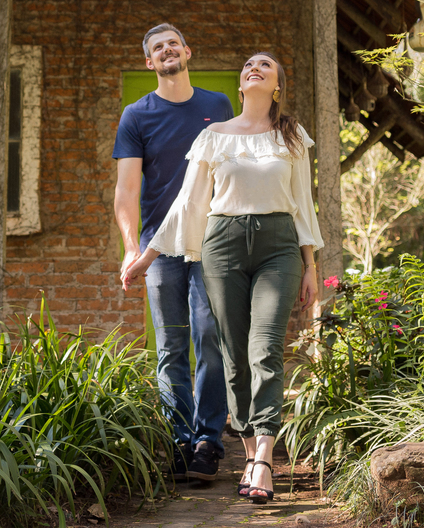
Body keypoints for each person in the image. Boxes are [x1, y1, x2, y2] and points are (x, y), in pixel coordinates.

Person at [122, 51, 322, 505]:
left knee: (265, 346)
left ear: (276, 86)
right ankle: (249, 453)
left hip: (279, 246)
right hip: (223, 245)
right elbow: (189, 204)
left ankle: (266, 454)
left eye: (266, 65)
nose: (254, 67)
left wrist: (311, 266)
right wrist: (148, 256)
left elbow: (303, 205)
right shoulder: (213, 136)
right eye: (249, 64)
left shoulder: (290, 136)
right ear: (240, 87)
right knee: (232, 351)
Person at [113, 24, 233, 482]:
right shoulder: (136, 115)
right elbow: (126, 190)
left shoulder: (217, 106)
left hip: (210, 242)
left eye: (172, 44)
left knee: (209, 337)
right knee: (170, 347)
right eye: (155, 48)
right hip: (159, 248)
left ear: (187, 51)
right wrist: (131, 248)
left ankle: (207, 442)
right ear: (149, 62)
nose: (165, 51)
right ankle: (178, 441)